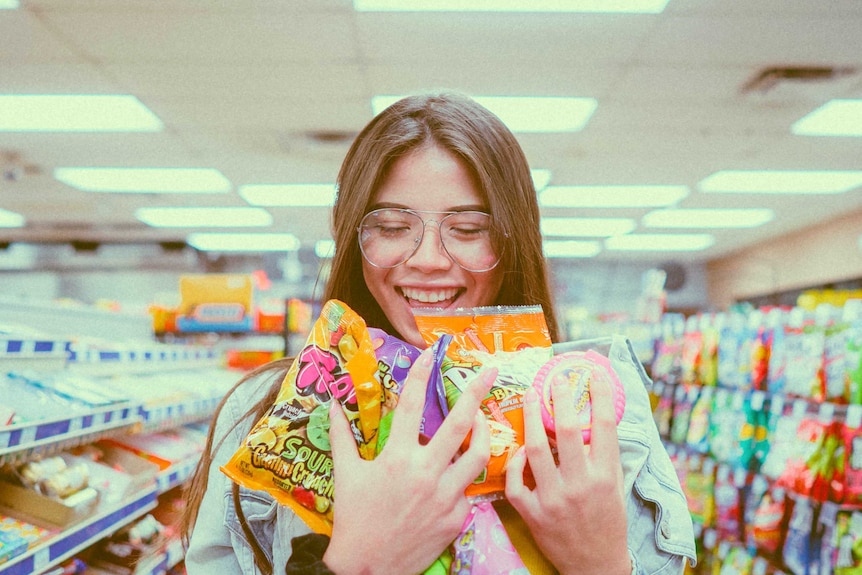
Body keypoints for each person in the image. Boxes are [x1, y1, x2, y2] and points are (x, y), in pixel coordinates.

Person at [181, 92, 696, 575]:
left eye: (468, 229)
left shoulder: (596, 406)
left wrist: (600, 563)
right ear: (352, 236)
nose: (427, 259)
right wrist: (356, 562)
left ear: (514, 239)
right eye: (389, 226)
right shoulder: (264, 411)